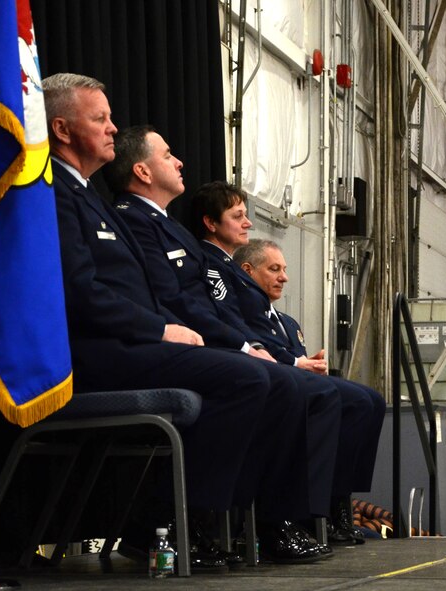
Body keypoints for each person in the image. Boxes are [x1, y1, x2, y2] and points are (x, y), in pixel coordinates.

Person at [43, 74, 324, 566]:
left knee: (270, 380)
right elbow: (79, 291)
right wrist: (160, 329)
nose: (112, 128)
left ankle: (235, 522)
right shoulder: (53, 194)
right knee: (247, 379)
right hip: (98, 351)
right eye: (100, 118)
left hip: (134, 346)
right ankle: (176, 525)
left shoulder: (90, 197)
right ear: (63, 130)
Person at [103, 126, 368, 547]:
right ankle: (241, 521)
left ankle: (304, 512)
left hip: (201, 340)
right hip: (160, 345)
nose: (179, 161)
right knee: (280, 384)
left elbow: (208, 308)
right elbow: (178, 302)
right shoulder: (134, 220)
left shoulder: (166, 226)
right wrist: (246, 347)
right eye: (168, 154)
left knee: (341, 394)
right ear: (143, 171)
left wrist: (253, 347)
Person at [192, 182, 385, 545]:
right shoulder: (216, 268)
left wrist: (292, 359)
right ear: (211, 222)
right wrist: (289, 361)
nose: (247, 222)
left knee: (368, 400)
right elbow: (232, 324)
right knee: (325, 395)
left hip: (258, 361)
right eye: (238, 216)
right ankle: (297, 514)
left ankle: (335, 503)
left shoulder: (235, 277)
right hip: (238, 362)